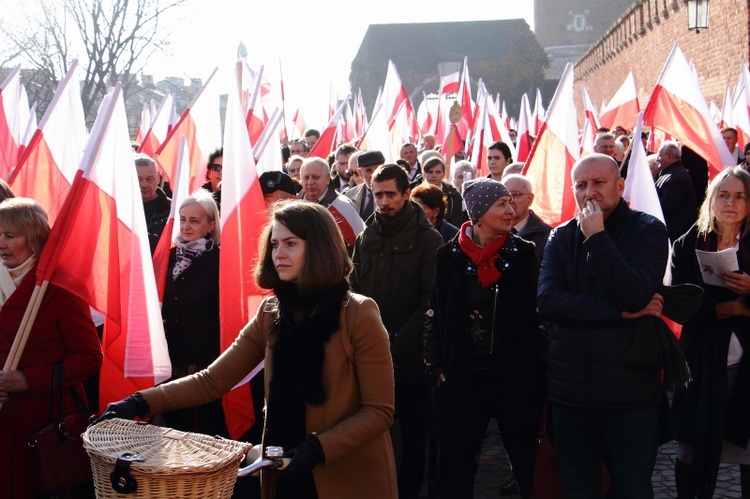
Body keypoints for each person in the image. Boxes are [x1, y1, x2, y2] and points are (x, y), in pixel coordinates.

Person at [99, 200, 397, 499]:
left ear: (320, 248)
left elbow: (379, 411)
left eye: (291, 243)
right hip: (282, 469)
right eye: (275, 243)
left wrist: (317, 448)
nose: (278, 253)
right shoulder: (271, 311)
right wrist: (138, 403)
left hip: (343, 476)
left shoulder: (358, 313)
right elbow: (213, 380)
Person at [538, 153, 669, 498]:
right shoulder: (560, 236)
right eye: (581, 185)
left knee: (632, 488)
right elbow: (548, 301)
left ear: (620, 186)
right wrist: (617, 314)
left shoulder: (649, 230)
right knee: (579, 487)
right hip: (572, 392)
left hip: (629, 392)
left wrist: (597, 238)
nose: (589, 192)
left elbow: (636, 293)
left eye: (599, 183)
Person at [425, 178, 545, 498]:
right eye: (501, 204)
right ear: (479, 213)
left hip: (513, 377)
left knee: (525, 463)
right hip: (463, 379)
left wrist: (536, 371)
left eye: (511, 202)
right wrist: (437, 367)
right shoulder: (448, 255)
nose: (511, 210)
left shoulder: (522, 254)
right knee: (457, 466)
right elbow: (435, 314)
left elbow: (536, 317)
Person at [0, 198, 102, 498]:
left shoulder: (59, 287)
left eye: (10, 235)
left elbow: (90, 357)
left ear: (33, 239)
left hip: (42, 418)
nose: (1, 243)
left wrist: (29, 379)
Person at [351, 164, 443, 499]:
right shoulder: (367, 236)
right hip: (371, 356)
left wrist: (395, 347)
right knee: (374, 434)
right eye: (378, 195)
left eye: (391, 194)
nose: (385, 201)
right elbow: (354, 291)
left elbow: (429, 302)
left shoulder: (428, 239)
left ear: (407, 193)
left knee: (414, 439)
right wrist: (368, 342)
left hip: (412, 361)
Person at [669, 166, 750, 497]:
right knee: (692, 451)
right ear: (711, 199)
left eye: (740, 196)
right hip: (702, 361)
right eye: (723, 194)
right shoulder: (689, 242)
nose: (730, 202)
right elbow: (678, 303)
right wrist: (728, 308)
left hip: (746, 369)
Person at [161, 190, 227, 437]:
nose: (186, 226)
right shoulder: (166, 257)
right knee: (176, 426)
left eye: (194, 220)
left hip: (206, 358)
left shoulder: (220, 260)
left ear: (210, 225)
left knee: (207, 427)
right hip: (172, 355)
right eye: (183, 219)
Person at [299, 157, 364, 250]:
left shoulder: (342, 207)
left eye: (315, 177)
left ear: (327, 179)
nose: (310, 182)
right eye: (306, 178)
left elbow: (359, 245)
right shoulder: (294, 205)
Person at [501, 174, 552, 263]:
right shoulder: (490, 232)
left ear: (530, 199)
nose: (509, 201)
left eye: (515, 195)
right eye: (504, 196)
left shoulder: (547, 236)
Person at [655, 141, 698, 242]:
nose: (657, 159)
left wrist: (648, 199)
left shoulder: (677, 177)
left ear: (670, 157)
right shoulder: (669, 173)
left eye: (660, 155)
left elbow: (667, 205)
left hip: (676, 234)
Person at [135, 153, 171, 254]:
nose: (144, 185)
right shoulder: (117, 209)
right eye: (138, 179)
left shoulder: (172, 210)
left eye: (149, 179)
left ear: (158, 179)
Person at [422, 156, 466, 227]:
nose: (434, 175)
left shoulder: (453, 195)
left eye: (438, 172)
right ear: (424, 174)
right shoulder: (415, 192)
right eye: (430, 172)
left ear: (444, 174)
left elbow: (456, 221)